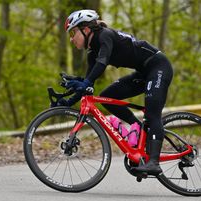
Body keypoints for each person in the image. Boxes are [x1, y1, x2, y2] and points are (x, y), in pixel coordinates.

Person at [58, 9, 173, 176]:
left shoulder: (105, 35)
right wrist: (68, 102)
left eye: (73, 32)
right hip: (143, 73)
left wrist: (86, 82)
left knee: (152, 114)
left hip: (158, 66)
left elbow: (102, 63)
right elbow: (88, 83)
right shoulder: (92, 52)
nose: (71, 38)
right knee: (107, 98)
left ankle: (153, 163)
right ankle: (141, 131)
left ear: (86, 29)